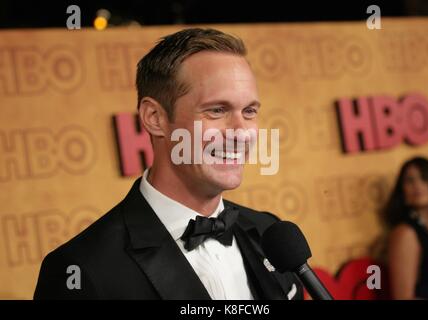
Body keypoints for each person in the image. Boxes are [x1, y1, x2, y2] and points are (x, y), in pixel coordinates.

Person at [34, 28, 303, 300]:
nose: (241, 132)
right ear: (154, 117)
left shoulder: (270, 233)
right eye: (217, 110)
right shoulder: (82, 270)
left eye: (249, 112)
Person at [384, 156, 428, 299]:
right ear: (402, 191)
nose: (417, 186)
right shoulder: (405, 233)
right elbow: (404, 298)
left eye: (424, 178)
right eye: (410, 181)